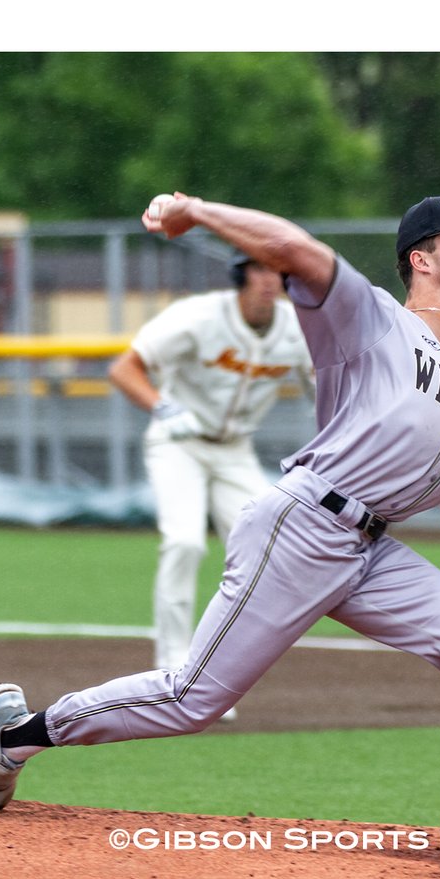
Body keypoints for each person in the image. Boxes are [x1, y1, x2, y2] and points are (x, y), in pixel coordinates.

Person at [0, 192, 440, 878]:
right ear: (421, 258)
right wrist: (196, 212)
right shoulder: (372, 318)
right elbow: (292, 247)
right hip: (303, 525)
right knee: (192, 699)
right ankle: (17, 735)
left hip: (370, 552)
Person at [108, 252, 314, 721]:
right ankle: (172, 669)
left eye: (279, 271)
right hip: (178, 442)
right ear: (242, 274)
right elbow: (124, 368)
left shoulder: (295, 328)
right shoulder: (199, 316)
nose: (269, 280)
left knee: (266, 551)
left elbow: (324, 388)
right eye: (260, 269)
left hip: (234, 449)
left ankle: (217, 674)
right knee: (183, 541)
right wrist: (162, 406)